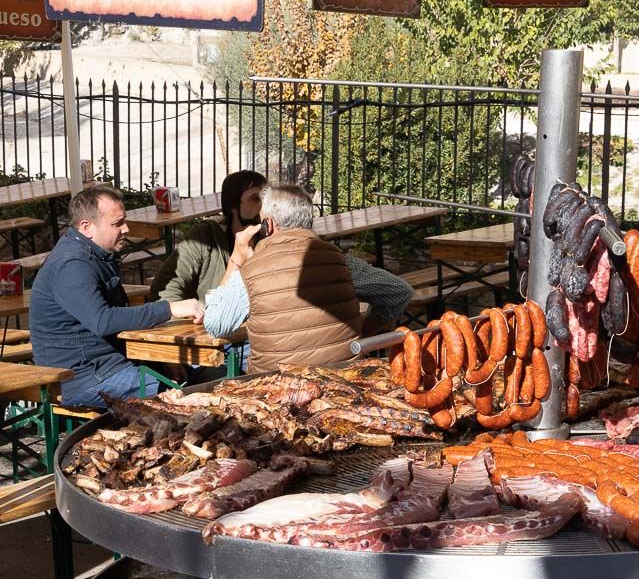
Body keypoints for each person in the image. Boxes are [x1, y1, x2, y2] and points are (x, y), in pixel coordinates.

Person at [151, 170, 412, 336]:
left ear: (271, 223)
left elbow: (217, 323)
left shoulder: (263, 266)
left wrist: (365, 330)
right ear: (233, 208)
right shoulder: (204, 239)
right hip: (218, 343)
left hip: (265, 360)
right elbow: (166, 291)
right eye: (256, 199)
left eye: (264, 201)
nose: (262, 206)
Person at [30, 185, 205, 407]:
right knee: (185, 397)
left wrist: (160, 361)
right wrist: (169, 309)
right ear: (87, 227)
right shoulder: (72, 264)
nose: (126, 229)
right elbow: (103, 321)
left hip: (107, 364)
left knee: (197, 377)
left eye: (124, 220)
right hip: (78, 378)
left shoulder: (96, 254)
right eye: (117, 224)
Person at [202, 185, 362, 373]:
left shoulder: (252, 271)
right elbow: (398, 292)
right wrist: (366, 331)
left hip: (276, 388)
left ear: (267, 225)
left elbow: (215, 324)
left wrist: (236, 259)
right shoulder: (341, 261)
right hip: (345, 379)